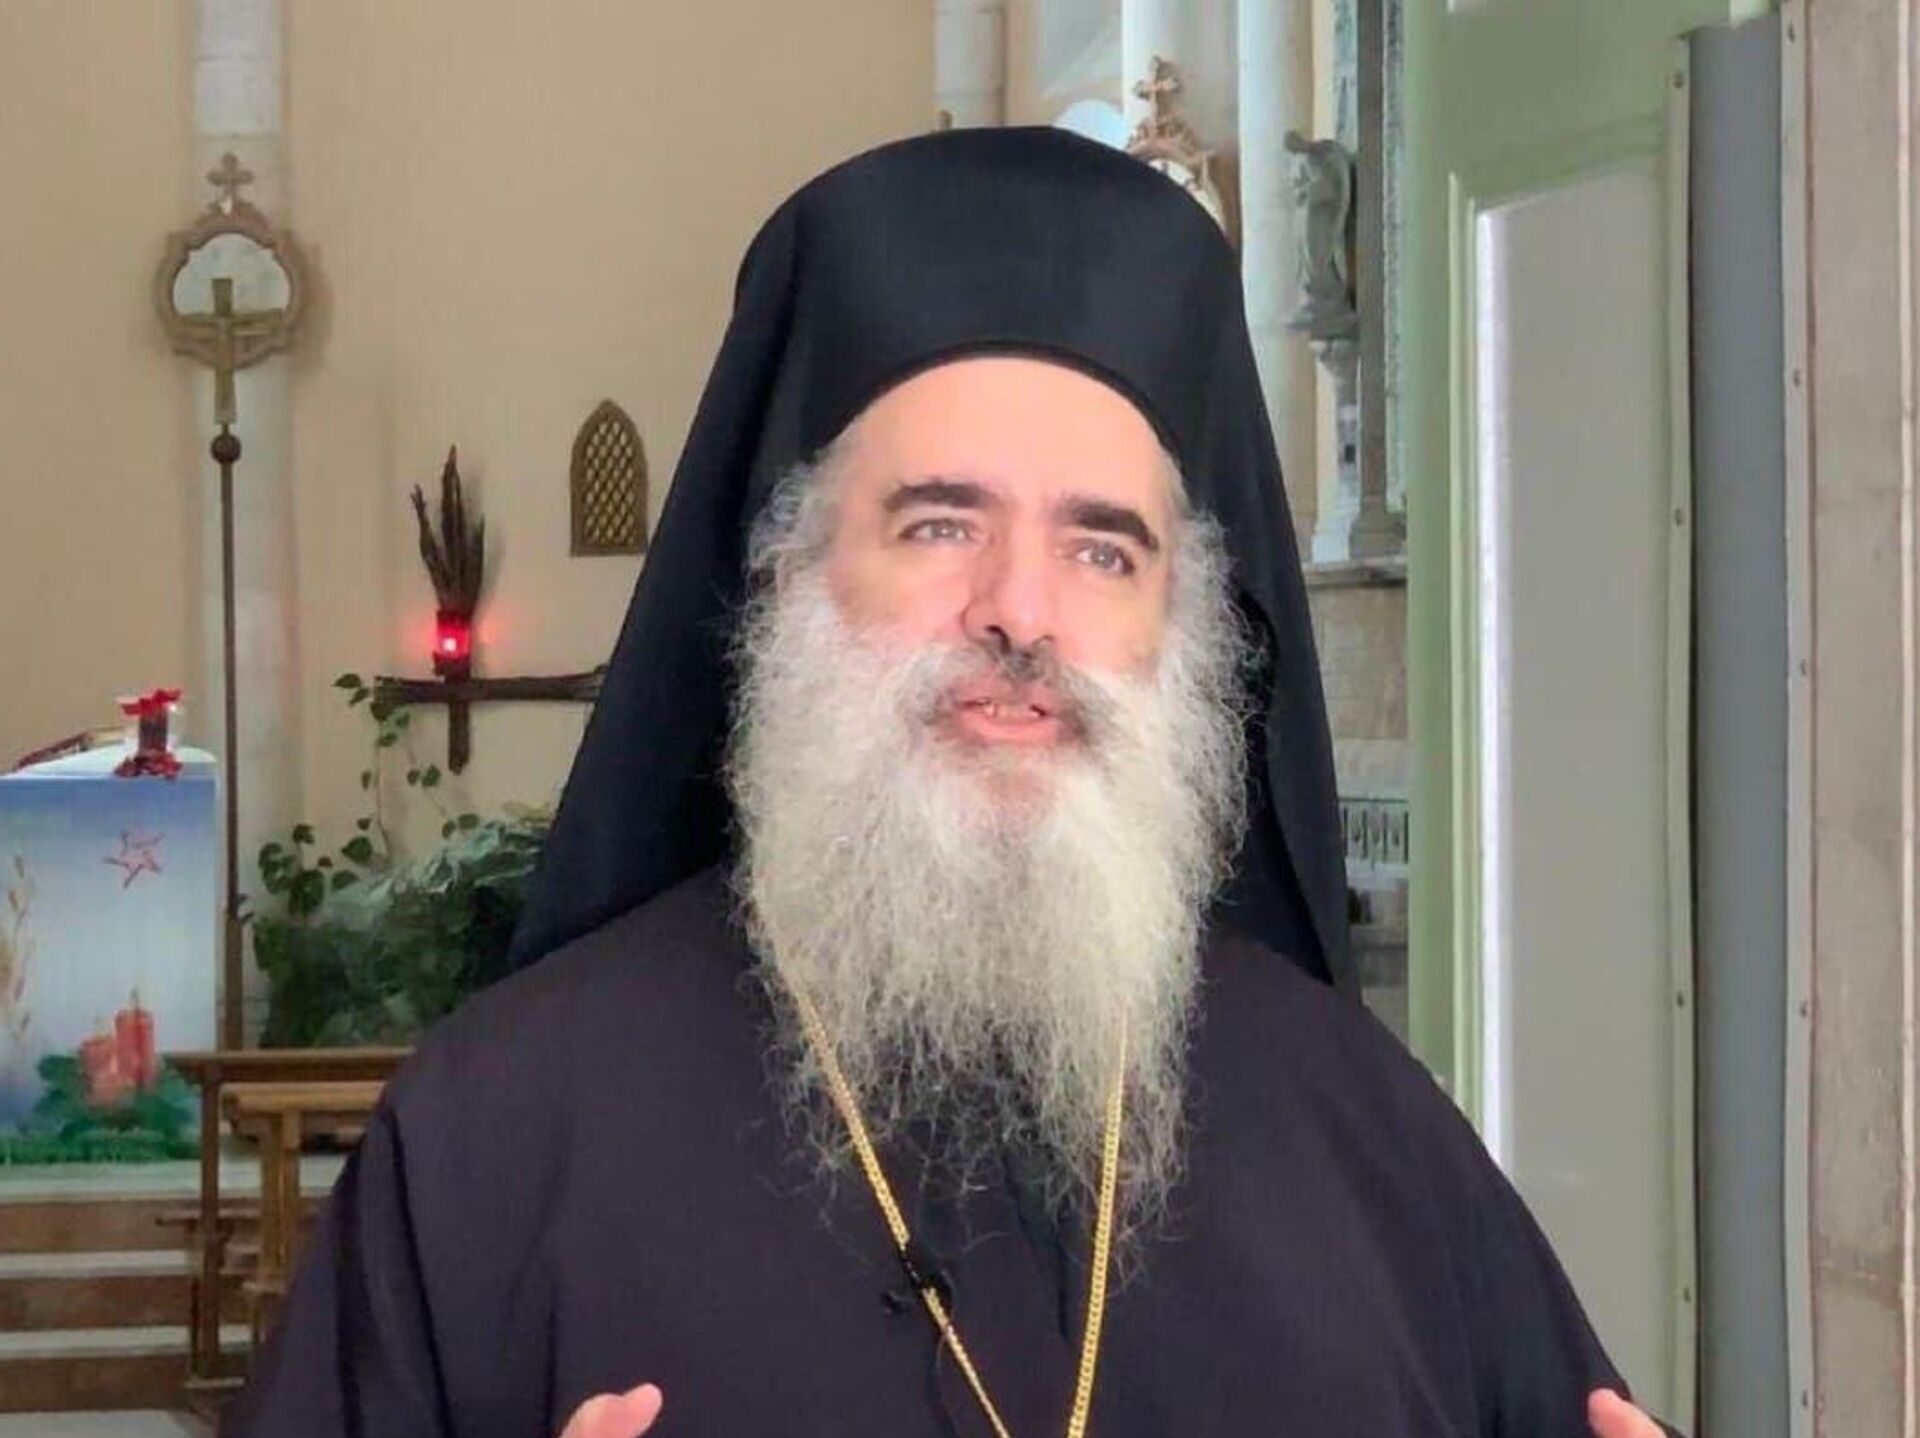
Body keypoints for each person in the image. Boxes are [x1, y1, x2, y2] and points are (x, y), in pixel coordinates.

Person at [225, 127, 1676, 1438]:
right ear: (787, 575)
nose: (1020, 613)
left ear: (1184, 622)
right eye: (937, 526)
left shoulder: (1363, 1127)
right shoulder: (495, 1136)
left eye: (1103, 550)